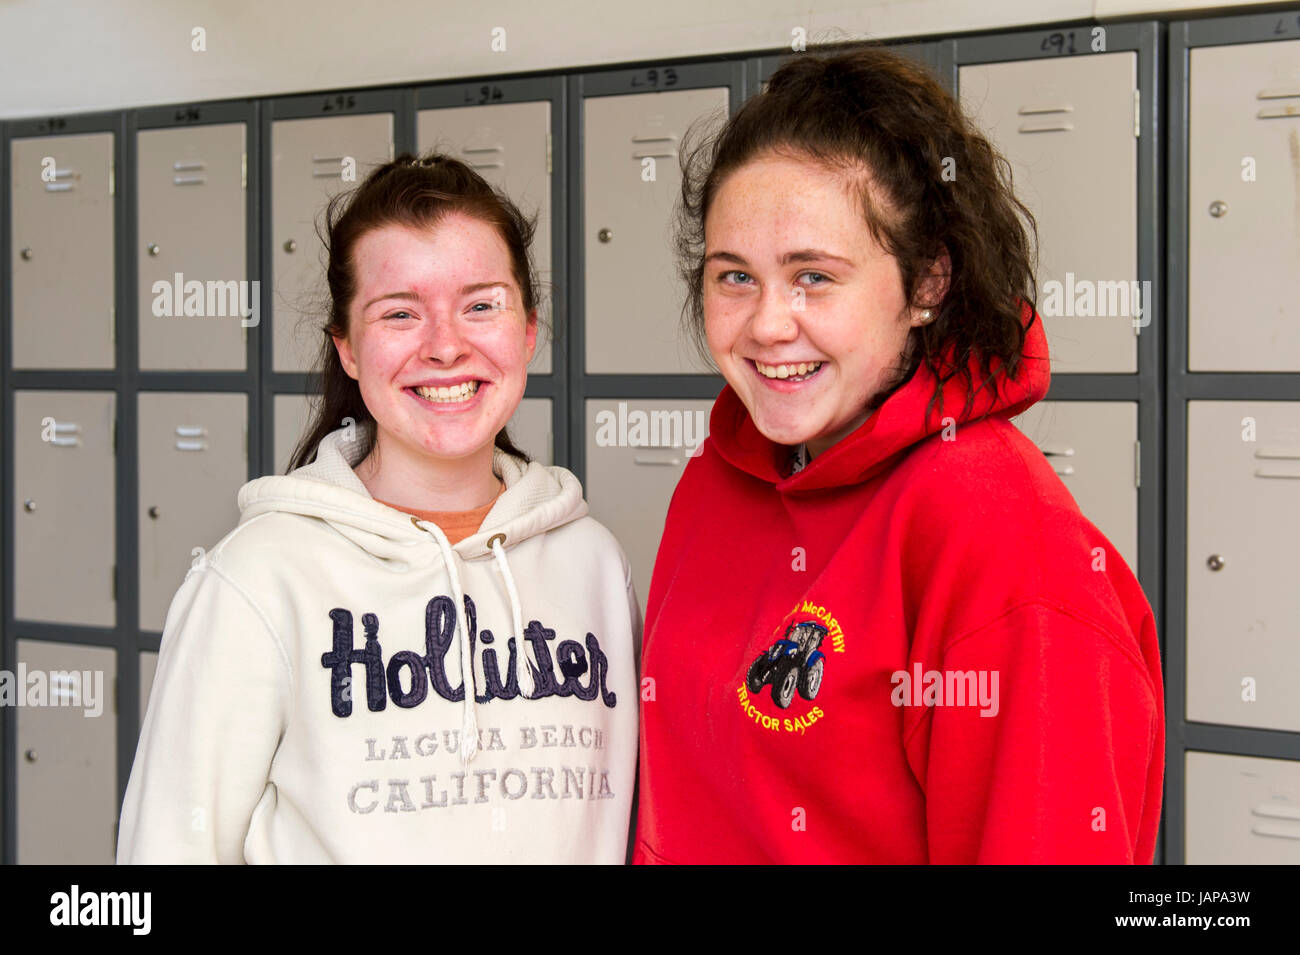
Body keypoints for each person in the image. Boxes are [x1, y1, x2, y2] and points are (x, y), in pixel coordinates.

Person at [634, 46, 1165, 864]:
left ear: (925, 285)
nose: (769, 323)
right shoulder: (716, 479)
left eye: (814, 275)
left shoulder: (1007, 544)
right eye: (734, 277)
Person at [118, 153, 640, 864]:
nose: (446, 345)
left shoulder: (594, 562)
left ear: (528, 331)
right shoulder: (257, 580)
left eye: (481, 304)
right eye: (399, 313)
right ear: (350, 349)